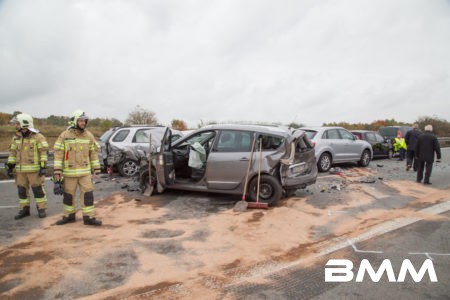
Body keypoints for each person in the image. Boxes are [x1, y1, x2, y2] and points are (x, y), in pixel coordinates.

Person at [53, 110, 102, 225]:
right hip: (69, 173)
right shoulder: (65, 135)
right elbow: (58, 153)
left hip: (85, 173)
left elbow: (93, 153)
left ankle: (89, 217)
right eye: (80, 120)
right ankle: (69, 216)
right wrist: (57, 171)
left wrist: (97, 168)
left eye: (84, 120)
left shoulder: (89, 135)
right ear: (74, 121)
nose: (83, 123)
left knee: (88, 195)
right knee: (68, 196)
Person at [6, 113, 48, 219]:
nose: (16, 126)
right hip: (20, 171)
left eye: (17, 123)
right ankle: (24, 209)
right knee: (22, 190)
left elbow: (43, 152)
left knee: (38, 190)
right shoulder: (16, 138)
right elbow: (12, 153)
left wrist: (43, 166)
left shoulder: (38, 137)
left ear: (24, 124)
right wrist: (10, 166)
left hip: (34, 171)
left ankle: (41, 209)